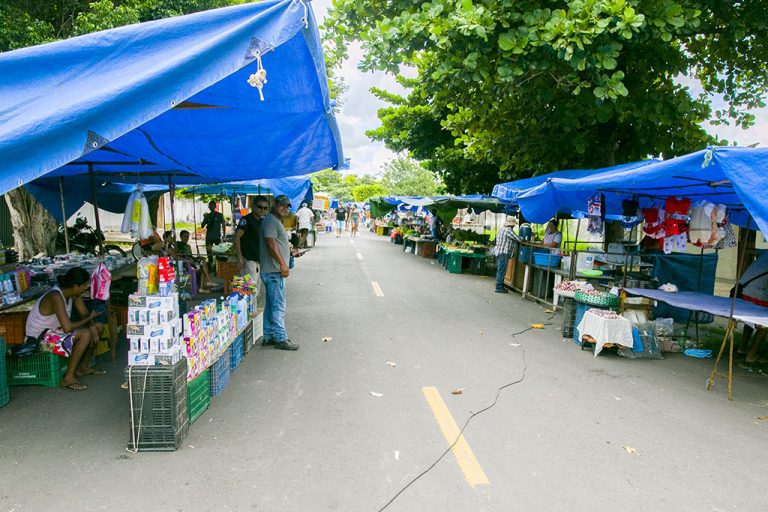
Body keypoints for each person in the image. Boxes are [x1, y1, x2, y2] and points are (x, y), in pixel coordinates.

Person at [25, 267, 104, 391]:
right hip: (39, 339)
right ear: (75, 286)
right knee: (85, 334)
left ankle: (82, 367)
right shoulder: (55, 296)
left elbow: (84, 314)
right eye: (84, 285)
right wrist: (90, 319)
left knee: (98, 327)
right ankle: (68, 377)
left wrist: (92, 325)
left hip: (54, 332)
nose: (86, 288)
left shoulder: (73, 295)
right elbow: (67, 328)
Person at [259, 195, 299, 351]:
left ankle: (268, 336)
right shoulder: (270, 221)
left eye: (287, 206)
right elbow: (271, 243)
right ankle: (281, 338)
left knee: (271, 305)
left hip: (273, 270)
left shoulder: (274, 221)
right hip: (274, 271)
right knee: (278, 307)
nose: (285, 209)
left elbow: (277, 244)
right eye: (282, 205)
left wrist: (289, 254)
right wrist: (283, 264)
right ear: (275, 205)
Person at [737, 251, 768, 363]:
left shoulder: (765, 253)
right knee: (765, 324)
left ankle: (743, 347)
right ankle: (752, 355)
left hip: (744, 288)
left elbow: (752, 252)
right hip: (757, 292)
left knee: (750, 319)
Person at [234, 196, 269, 296]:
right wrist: (240, 257)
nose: (262, 210)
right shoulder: (246, 220)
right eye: (260, 207)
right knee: (249, 288)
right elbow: (236, 237)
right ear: (253, 206)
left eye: (265, 208)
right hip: (248, 259)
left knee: (256, 288)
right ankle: (247, 309)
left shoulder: (262, 221)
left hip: (259, 259)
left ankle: (252, 308)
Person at [494, 217, 521, 293]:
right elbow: (518, 239)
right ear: (512, 225)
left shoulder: (502, 229)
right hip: (503, 252)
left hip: (500, 252)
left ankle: (499, 285)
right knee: (502, 270)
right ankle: (498, 287)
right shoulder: (508, 230)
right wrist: (524, 239)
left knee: (501, 269)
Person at [201, 201, 225, 271]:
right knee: (209, 254)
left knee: (219, 253)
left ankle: (218, 267)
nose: (211, 207)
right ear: (208, 207)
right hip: (209, 237)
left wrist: (224, 234)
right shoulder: (207, 215)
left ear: (215, 206)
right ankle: (210, 267)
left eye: (212, 205)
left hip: (217, 236)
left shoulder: (219, 215)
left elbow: (223, 224)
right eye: (210, 206)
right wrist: (204, 218)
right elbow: (202, 226)